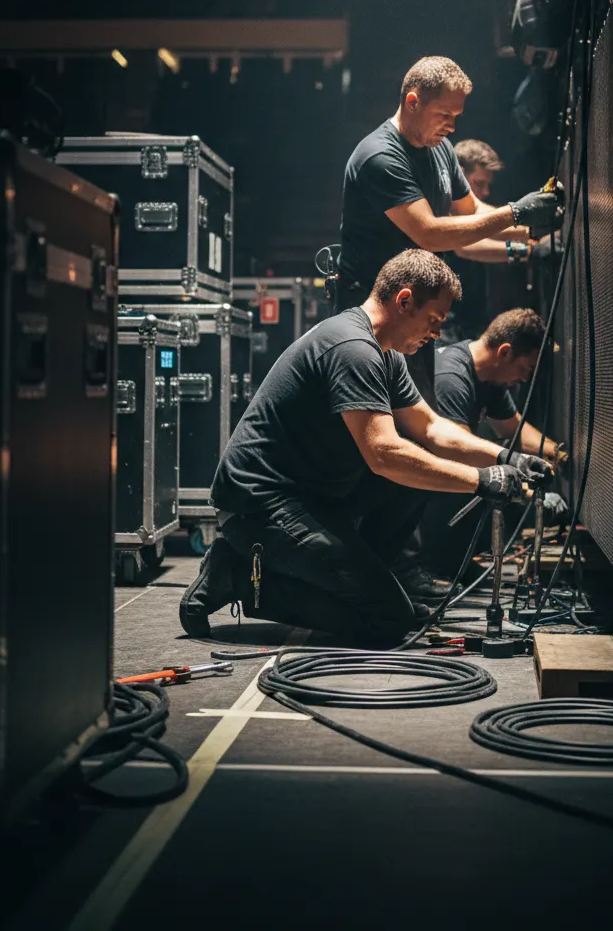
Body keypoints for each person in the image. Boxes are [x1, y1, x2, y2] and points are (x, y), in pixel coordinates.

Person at [179, 251, 551, 648]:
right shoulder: (353, 348)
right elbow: (384, 454)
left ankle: (368, 577)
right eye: (434, 319)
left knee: (419, 470)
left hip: (310, 497)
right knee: (386, 619)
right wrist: (482, 481)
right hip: (260, 504)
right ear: (404, 301)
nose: (438, 333)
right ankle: (234, 573)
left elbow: (430, 429)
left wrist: (506, 459)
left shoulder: (385, 353)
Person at [336, 56, 562, 406]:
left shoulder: (440, 149)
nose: (452, 127)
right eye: (445, 115)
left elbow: (472, 212)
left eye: (457, 117)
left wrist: (531, 226)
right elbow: (430, 232)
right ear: (413, 102)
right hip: (375, 322)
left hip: (416, 318)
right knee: (379, 426)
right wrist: (516, 213)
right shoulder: (380, 156)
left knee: (420, 420)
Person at [419, 308, 569, 576]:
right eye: (526, 369)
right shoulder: (452, 379)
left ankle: (453, 561)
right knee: (500, 491)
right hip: (423, 493)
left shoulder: (491, 379)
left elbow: (514, 429)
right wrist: (525, 493)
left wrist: (558, 454)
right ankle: (438, 565)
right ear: (505, 352)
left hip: (439, 487)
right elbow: (458, 453)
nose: (525, 379)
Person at [444, 138, 559, 341]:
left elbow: (489, 224)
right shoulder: (444, 204)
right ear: (459, 175)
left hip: (468, 317)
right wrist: (528, 251)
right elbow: (465, 247)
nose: (486, 192)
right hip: (448, 323)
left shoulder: (467, 209)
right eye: (479, 183)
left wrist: (530, 231)